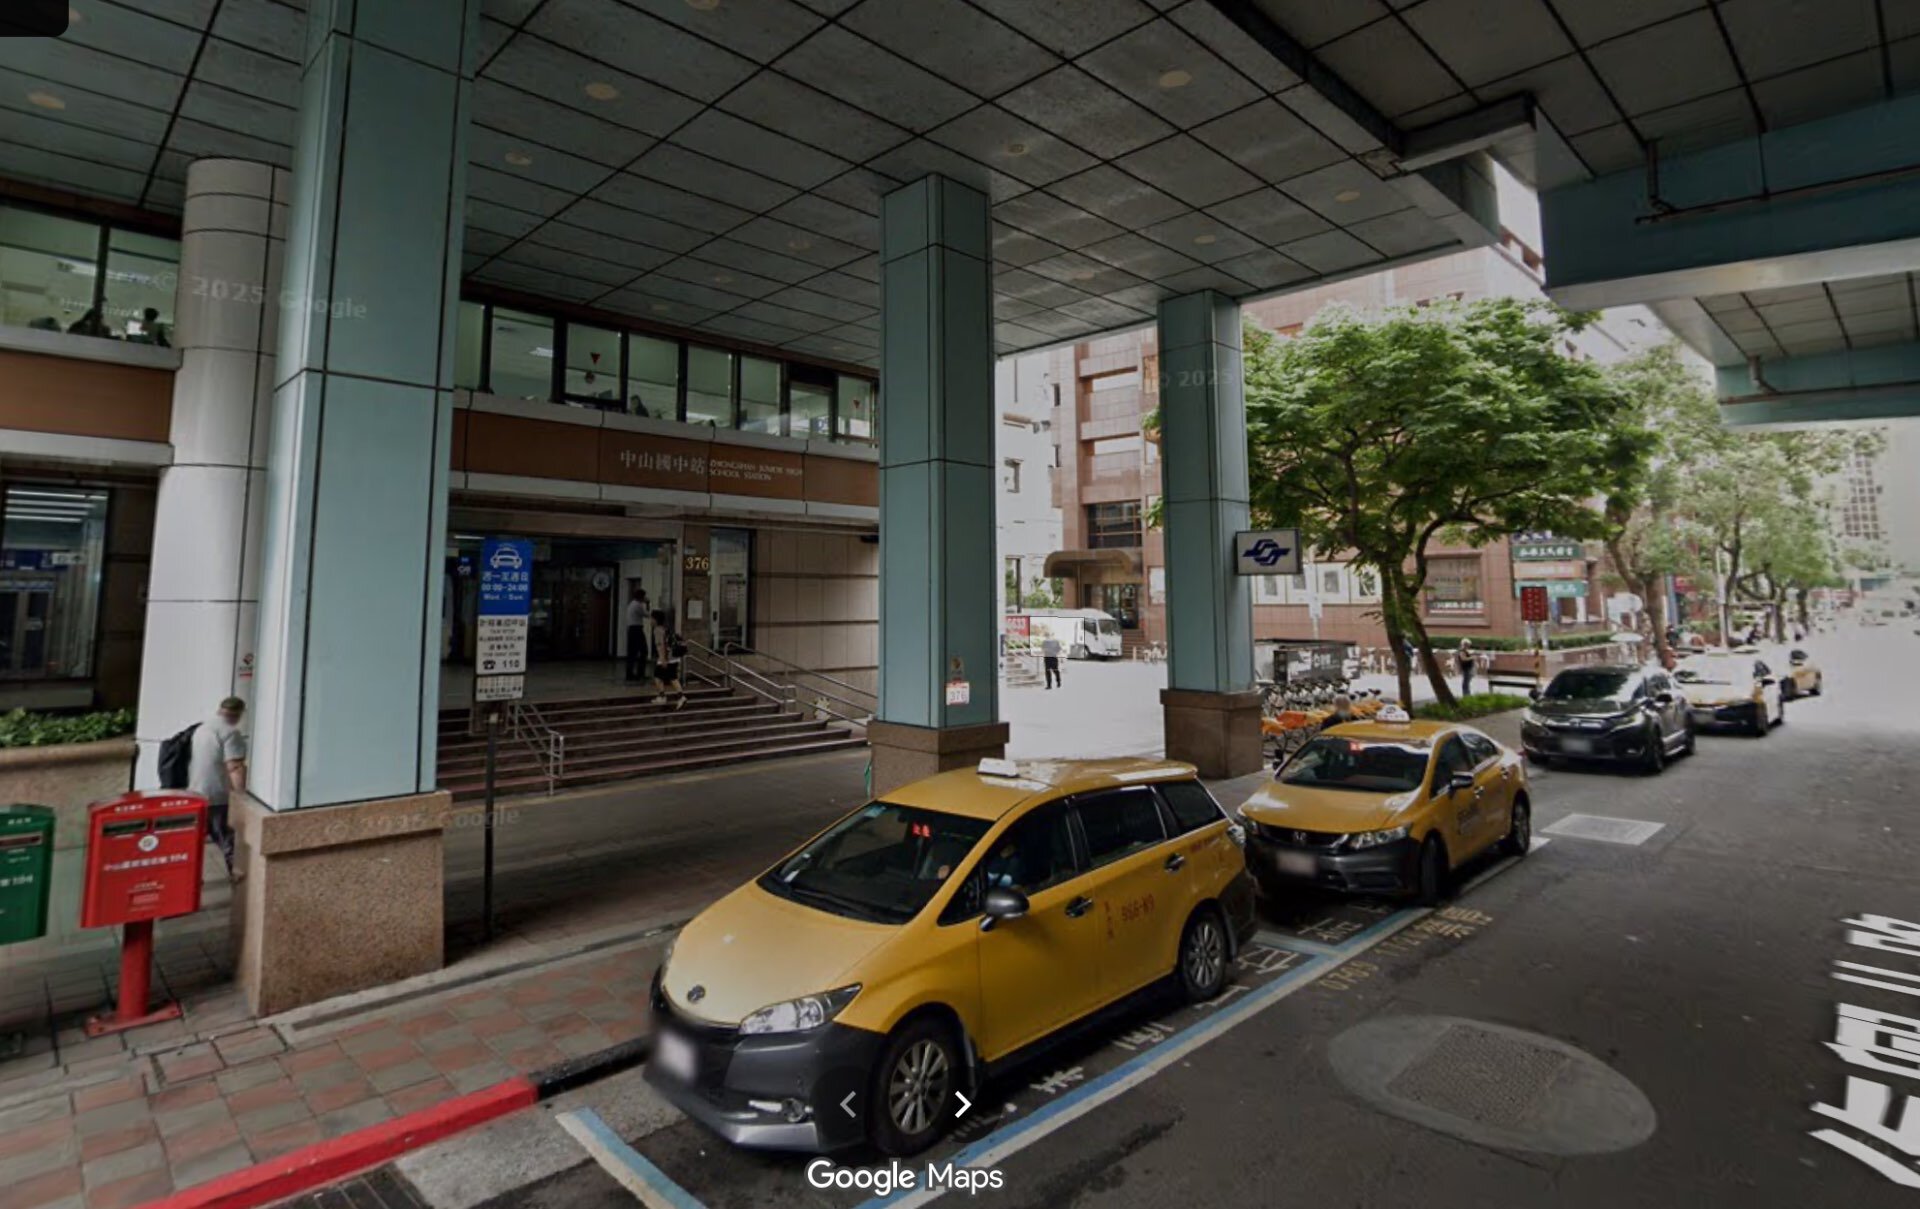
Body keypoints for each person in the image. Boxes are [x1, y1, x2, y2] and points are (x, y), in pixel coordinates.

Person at [190, 697, 249, 881]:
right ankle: (234, 871)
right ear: (239, 713)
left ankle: (190, 877)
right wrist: (241, 796)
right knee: (225, 835)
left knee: (197, 838)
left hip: (197, 791)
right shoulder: (231, 732)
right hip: (217, 792)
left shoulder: (202, 728)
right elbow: (234, 767)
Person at [651, 609, 687, 710]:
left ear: (655, 619)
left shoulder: (658, 630)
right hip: (674, 657)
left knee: (658, 677)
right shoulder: (666, 628)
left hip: (667, 657)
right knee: (672, 677)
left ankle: (663, 696)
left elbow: (660, 645)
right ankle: (679, 697)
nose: (650, 620)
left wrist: (663, 659)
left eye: (652, 618)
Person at [624, 585, 650, 682]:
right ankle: (640, 673)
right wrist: (648, 604)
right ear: (641, 596)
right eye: (644, 596)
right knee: (644, 651)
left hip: (632, 629)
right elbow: (647, 615)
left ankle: (630, 673)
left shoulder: (632, 604)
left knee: (632, 652)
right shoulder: (638, 605)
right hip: (637, 629)